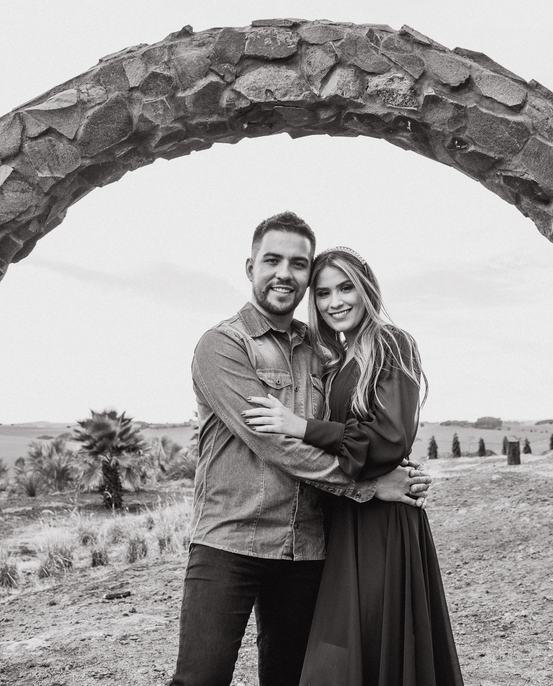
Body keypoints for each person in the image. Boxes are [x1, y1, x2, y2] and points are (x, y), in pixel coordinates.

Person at [170, 213, 432, 686]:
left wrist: (393, 460)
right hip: (231, 539)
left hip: (306, 547)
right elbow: (278, 446)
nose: (284, 273)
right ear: (250, 267)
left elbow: (360, 420)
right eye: (272, 260)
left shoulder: (323, 350)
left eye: (298, 264)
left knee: (291, 679)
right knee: (200, 679)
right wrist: (370, 486)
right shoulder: (223, 345)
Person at [244, 246, 464, 686]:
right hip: (343, 515)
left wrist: (300, 426)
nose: (335, 302)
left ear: (366, 290)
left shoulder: (390, 342)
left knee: (376, 643)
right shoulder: (335, 360)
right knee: (341, 651)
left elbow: (388, 439)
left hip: (381, 524)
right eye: (324, 293)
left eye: (346, 288)